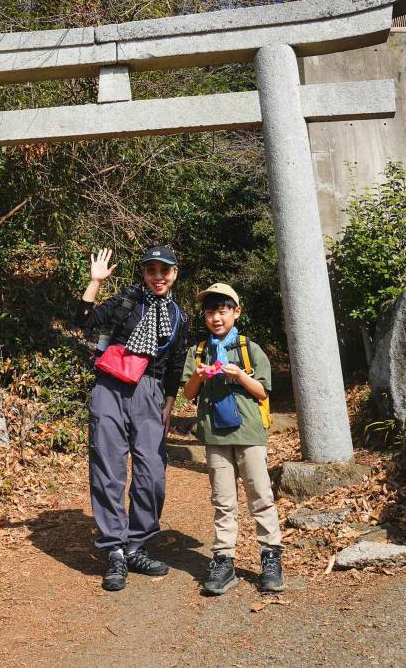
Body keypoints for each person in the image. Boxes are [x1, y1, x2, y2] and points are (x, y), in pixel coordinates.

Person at [75, 246, 189, 591]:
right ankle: (115, 550)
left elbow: (176, 363)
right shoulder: (128, 301)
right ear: (143, 273)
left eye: (164, 270)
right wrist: (95, 282)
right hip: (111, 386)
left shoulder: (178, 317)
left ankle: (135, 545)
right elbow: (83, 320)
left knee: (152, 473)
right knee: (108, 467)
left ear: (174, 273)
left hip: (150, 391)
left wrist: (169, 402)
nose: (158, 276)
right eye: (151, 270)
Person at [182, 282, 284, 595]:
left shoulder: (250, 349)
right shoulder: (198, 352)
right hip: (214, 436)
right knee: (223, 501)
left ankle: (271, 557)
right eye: (210, 312)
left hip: (249, 433)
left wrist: (239, 375)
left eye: (222, 311)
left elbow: (263, 391)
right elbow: (188, 394)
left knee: (261, 496)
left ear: (236, 312)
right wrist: (198, 375)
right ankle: (224, 560)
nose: (216, 317)